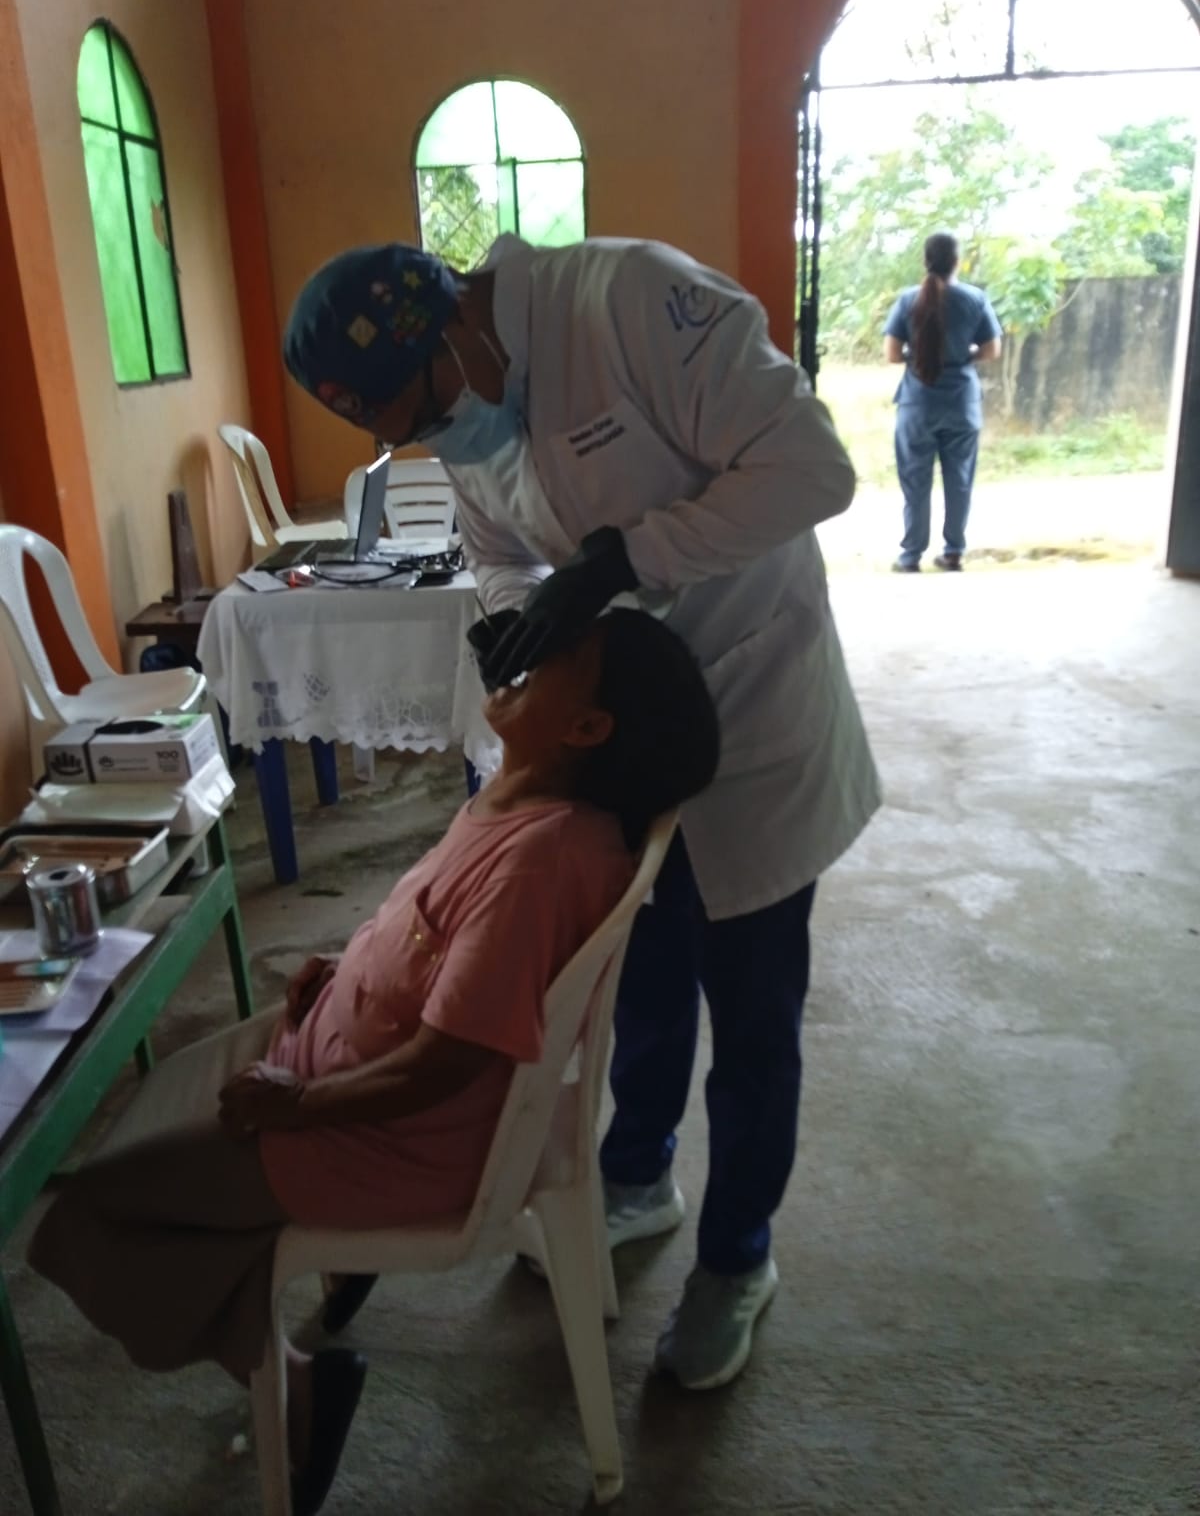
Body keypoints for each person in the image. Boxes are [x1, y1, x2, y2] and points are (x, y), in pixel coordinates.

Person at [283, 233, 881, 1391]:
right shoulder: (465, 409)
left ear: (456, 319)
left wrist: (621, 561)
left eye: (429, 407)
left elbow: (815, 470)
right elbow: (500, 552)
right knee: (638, 972)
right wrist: (532, 617)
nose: (439, 436)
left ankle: (738, 1257)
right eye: (409, 432)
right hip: (617, 737)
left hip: (754, 699)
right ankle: (637, 1175)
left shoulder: (631, 303)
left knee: (753, 1013)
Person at [29, 609, 720, 1516]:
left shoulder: (539, 861)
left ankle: (296, 1384)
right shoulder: (519, 801)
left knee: (83, 1215)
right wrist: (353, 964)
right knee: (160, 1127)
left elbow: (448, 1062)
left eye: (561, 657)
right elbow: (434, 930)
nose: (526, 655)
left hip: (383, 1137)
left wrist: (300, 1106)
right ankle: (263, 1263)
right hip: (338, 1073)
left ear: (588, 727)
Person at [883, 232, 1003, 573]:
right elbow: (992, 349)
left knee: (915, 483)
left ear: (925, 261)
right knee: (960, 480)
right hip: (962, 403)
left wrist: (918, 356)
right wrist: (964, 356)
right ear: (957, 262)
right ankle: (953, 552)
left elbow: (892, 354)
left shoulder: (907, 300)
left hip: (917, 404)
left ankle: (911, 556)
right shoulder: (974, 299)